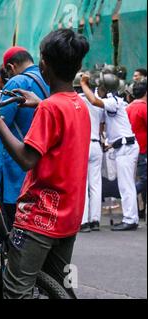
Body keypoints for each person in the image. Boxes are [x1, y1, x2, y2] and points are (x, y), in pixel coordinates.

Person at [0, 28, 90, 299]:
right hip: (69, 216)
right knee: (60, 287)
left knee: (17, 291)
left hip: (40, 217)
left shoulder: (51, 108)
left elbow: (26, 159)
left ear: (44, 64)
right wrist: (41, 104)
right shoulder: (78, 105)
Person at [0, 46, 50, 229]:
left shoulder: (17, 82)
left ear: (11, 66)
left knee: (12, 217)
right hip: (42, 156)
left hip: (16, 160)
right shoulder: (49, 78)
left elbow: (3, 121)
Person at [81, 70, 140, 231]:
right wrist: (110, 144)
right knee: (123, 184)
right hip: (122, 146)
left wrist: (83, 84)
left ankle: (130, 219)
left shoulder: (112, 101)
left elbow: (93, 100)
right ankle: (123, 218)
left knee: (126, 186)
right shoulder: (114, 101)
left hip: (125, 147)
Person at [74, 73, 105, 233]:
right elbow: (101, 126)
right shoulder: (99, 102)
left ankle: (83, 221)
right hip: (97, 144)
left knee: (82, 183)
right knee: (95, 184)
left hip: (83, 145)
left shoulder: (76, 101)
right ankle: (95, 220)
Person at [126, 79, 147, 220]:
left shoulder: (128, 107)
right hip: (143, 149)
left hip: (131, 148)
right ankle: (129, 195)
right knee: (144, 180)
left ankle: (139, 209)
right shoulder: (144, 108)